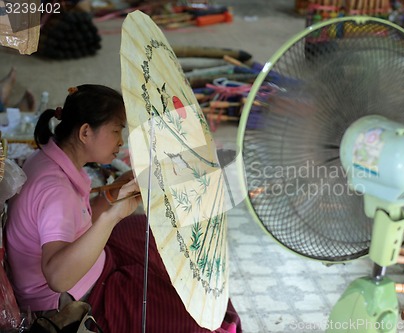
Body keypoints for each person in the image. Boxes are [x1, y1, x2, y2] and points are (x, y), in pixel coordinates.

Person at [5, 84, 241, 333]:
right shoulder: (56, 190)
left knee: (143, 229)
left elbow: (79, 219)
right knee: (187, 321)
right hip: (73, 297)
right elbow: (58, 278)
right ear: (86, 132)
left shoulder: (51, 159)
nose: (121, 141)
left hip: (88, 264)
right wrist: (112, 215)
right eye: (116, 131)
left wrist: (113, 193)